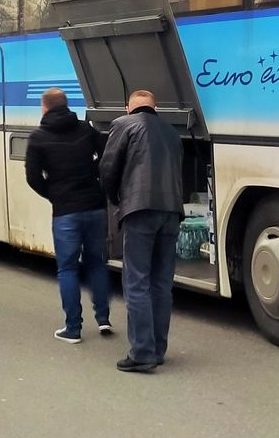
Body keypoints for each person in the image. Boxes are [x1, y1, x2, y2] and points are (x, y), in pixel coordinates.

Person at [99, 90, 183, 372]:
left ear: (128, 108)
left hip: (139, 211)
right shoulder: (172, 132)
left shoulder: (123, 125)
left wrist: (117, 200)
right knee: (161, 283)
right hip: (171, 212)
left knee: (136, 282)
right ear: (155, 108)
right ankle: (158, 350)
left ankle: (142, 353)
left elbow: (108, 169)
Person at [25, 88, 112, 344]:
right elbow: (107, 155)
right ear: (66, 104)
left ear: (44, 108)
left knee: (68, 268)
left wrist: (54, 194)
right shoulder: (85, 129)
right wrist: (95, 179)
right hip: (95, 207)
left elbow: (32, 177)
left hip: (66, 212)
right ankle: (104, 318)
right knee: (97, 263)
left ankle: (73, 328)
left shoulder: (38, 137)